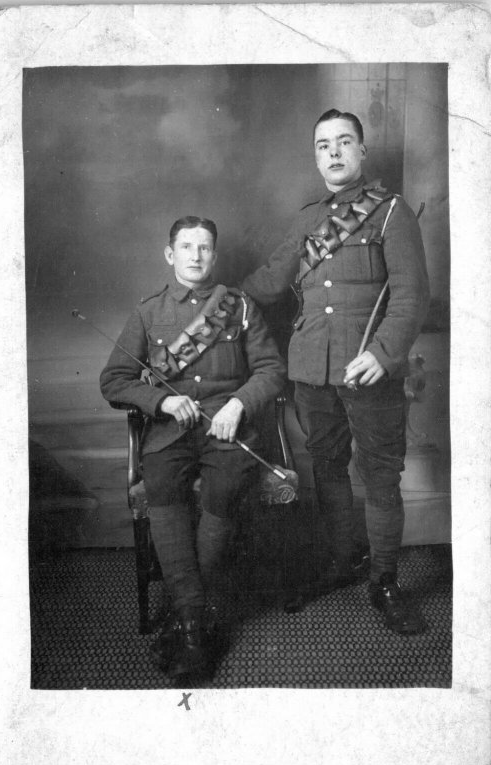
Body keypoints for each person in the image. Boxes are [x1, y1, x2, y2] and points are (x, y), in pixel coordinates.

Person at [241, 109, 430, 634]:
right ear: (316, 155)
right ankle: (342, 560)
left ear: (362, 152)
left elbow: (413, 296)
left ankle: (385, 580)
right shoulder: (307, 219)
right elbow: (268, 282)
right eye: (324, 145)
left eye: (344, 142)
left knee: (380, 478)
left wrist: (384, 353)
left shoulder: (392, 214)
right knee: (327, 472)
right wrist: (214, 304)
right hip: (311, 373)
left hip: (369, 375)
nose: (334, 152)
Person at [100, 216, 286, 682]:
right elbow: (113, 380)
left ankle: (188, 619)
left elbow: (270, 371)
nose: (196, 256)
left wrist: (239, 404)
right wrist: (161, 399)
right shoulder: (148, 312)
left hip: (227, 431)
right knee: (162, 486)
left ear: (214, 256)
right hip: (169, 432)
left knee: (223, 492)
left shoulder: (240, 308)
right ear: (170, 255)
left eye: (204, 248)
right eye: (186, 247)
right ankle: (196, 617)